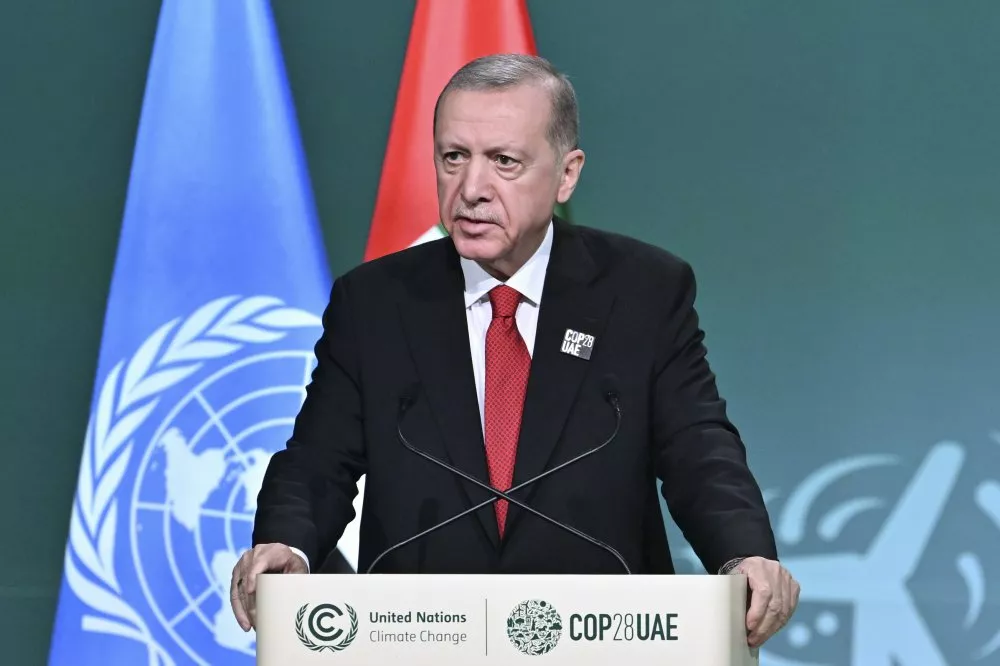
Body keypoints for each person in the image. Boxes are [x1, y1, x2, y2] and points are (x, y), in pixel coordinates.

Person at [231, 53, 799, 648]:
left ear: (567, 174)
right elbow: (318, 459)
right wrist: (287, 544)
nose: (471, 189)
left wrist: (742, 554)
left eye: (504, 161)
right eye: (454, 157)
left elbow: (697, 448)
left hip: (605, 642)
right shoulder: (373, 302)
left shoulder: (643, 291)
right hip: (419, 640)